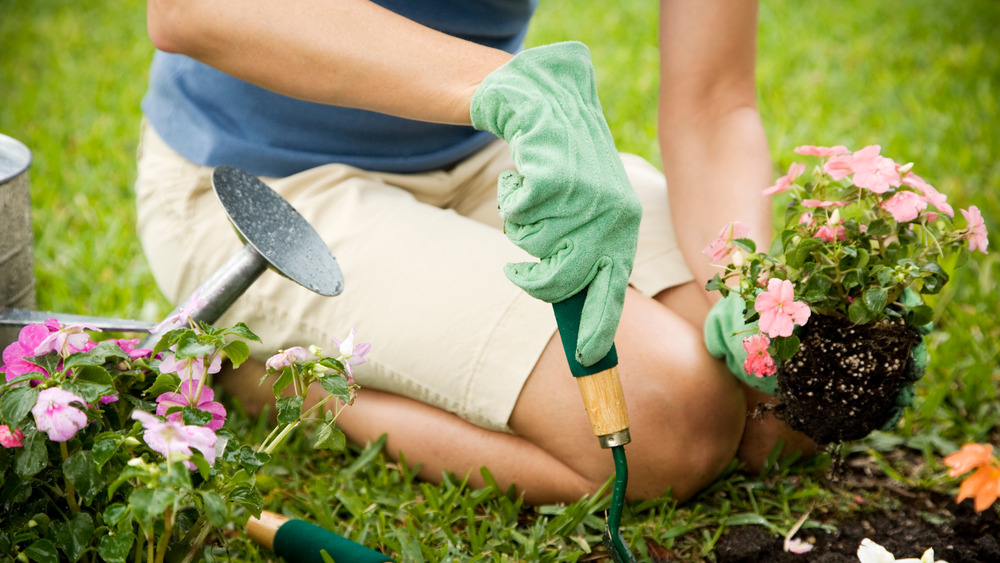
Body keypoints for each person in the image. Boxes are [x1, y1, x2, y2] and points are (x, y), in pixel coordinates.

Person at [137, 0, 815, 505]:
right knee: (668, 426)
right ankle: (276, 379)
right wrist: (506, 86)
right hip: (265, 191)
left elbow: (713, 102)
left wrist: (744, 287)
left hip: (476, 146)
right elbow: (190, 9)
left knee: (782, 411)